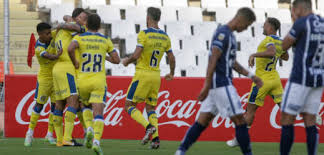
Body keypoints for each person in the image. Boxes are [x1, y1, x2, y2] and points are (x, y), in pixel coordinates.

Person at [175, 7, 263, 155]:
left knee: (202, 122)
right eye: (246, 25)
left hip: (216, 87)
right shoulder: (223, 33)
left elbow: (232, 62)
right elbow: (213, 59)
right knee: (241, 121)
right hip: (222, 84)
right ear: (241, 19)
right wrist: (207, 84)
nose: (245, 29)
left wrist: (250, 75)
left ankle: (180, 151)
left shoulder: (230, 35)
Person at [226, 17, 289, 147]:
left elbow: (271, 52)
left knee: (250, 110)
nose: (263, 28)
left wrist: (254, 55)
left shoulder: (268, 39)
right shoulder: (281, 41)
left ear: (270, 27)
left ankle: (239, 139)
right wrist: (276, 53)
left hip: (262, 80)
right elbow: (286, 57)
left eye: (265, 25)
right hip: (275, 79)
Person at [122, 7, 176, 149]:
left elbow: (136, 54)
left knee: (128, 106)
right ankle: (156, 139)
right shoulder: (165, 36)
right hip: (156, 76)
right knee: (150, 108)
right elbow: (172, 58)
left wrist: (127, 61)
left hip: (143, 75)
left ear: (148, 17)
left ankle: (148, 127)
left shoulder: (144, 34)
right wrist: (172, 73)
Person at [68, 13, 120, 155]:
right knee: (99, 114)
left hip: (83, 80)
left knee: (85, 105)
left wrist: (75, 62)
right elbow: (117, 60)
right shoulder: (105, 40)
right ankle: (96, 141)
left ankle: (89, 128)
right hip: (98, 81)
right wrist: (105, 56)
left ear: (86, 24)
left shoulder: (79, 37)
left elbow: (69, 49)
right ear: (99, 25)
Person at [280, 0, 324, 154]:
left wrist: (294, 22)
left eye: (292, 10)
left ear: (298, 8)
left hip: (301, 78)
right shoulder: (322, 22)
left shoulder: (301, 23)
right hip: (318, 78)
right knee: (310, 120)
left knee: (286, 118)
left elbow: (284, 45)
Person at [52, 8, 88, 146]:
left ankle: (60, 140)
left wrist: (65, 20)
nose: (84, 22)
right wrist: (68, 21)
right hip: (67, 68)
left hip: (58, 69)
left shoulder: (61, 30)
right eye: (82, 18)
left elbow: (66, 19)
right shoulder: (75, 28)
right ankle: (67, 138)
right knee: (73, 102)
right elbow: (76, 26)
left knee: (59, 104)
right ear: (76, 17)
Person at [24, 22, 62, 147]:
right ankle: (29, 133)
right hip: (44, 80)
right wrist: (58, 55)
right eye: (47, 33)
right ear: (40, 34)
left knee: (55, 106)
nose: (50, 36)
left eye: (50, 32)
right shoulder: (38, 47)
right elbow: (49, 56)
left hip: (56, 78)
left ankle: (49, 134)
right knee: (39, 105)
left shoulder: (51, 34)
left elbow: (62, 28)